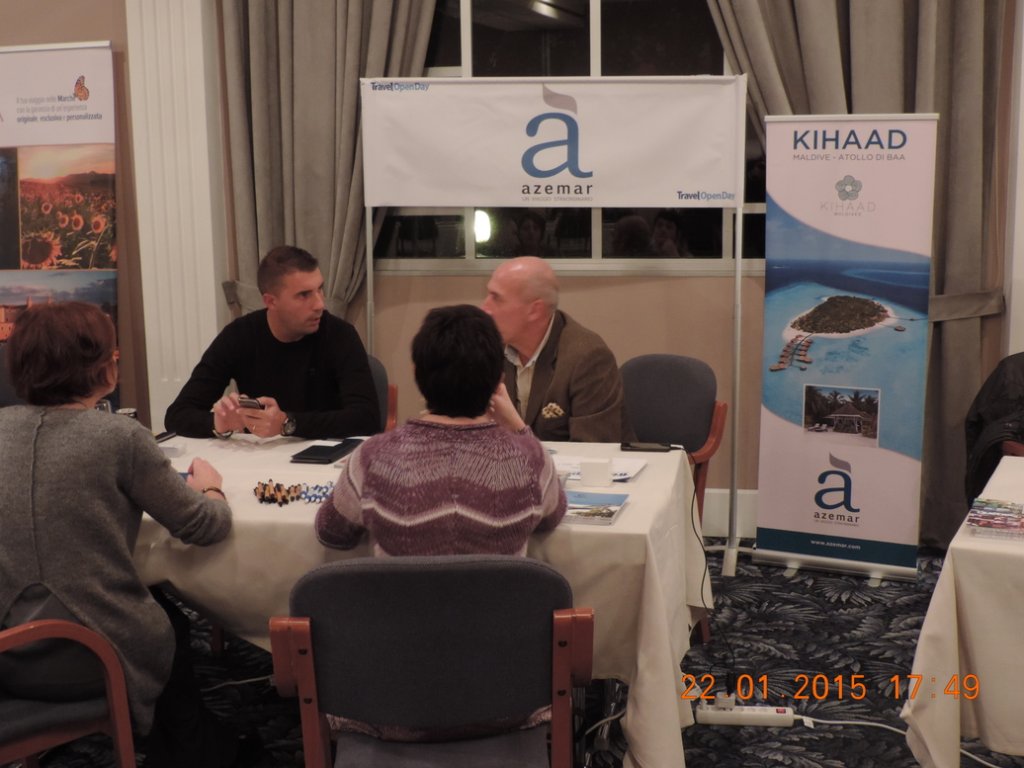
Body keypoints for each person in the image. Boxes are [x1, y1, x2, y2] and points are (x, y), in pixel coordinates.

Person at [0, 302, 256, 767]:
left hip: (10, 653)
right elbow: (204, 526)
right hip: (92, 655)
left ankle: (190, 743)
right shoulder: (118, 437)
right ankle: (192, 751)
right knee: (165, 620)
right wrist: (212, 487)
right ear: (102, 368)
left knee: (160, 611)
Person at [316, 304, 564, 556]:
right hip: (498, 585)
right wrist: (520, 430)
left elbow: (332, 531)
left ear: (416, 372)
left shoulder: (372, 457)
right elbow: (552, 517)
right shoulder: (531, 459)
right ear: (499, 380)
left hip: (398, 584)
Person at [165, 245, 379, 440]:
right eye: (304, 295)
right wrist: (219, 423)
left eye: (320, 289)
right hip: (259, 457)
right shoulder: (239, 335)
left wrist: (287, 423)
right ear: (271, 301)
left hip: (325, 457)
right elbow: (177, 415)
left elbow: (367, 418)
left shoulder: (340, 335)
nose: (319, 304)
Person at [482, 256, 634, 442]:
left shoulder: (587, 358)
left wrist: (519, 432)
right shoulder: (489, 348)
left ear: (534, 310)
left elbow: (592, 450)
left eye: (496, 298)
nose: (485, 308)